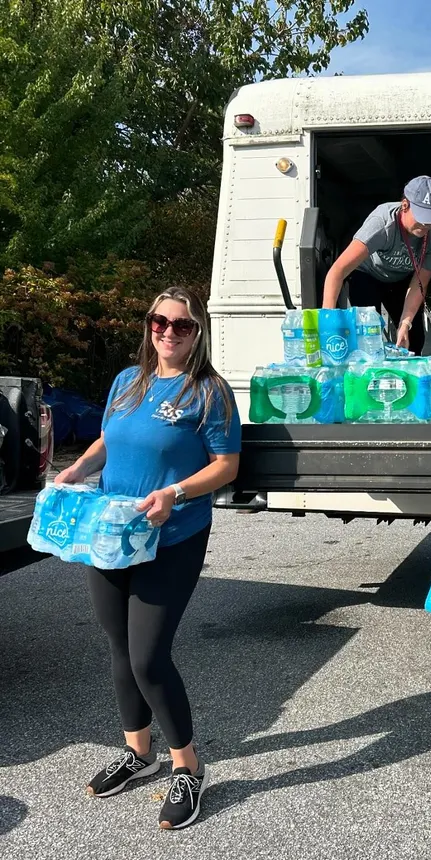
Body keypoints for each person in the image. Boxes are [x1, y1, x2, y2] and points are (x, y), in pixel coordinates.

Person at [54, 286, 241, 830]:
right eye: (159, 321)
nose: (167, 332)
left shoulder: (209, 392)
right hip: (112, 533)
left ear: (198, 333)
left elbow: (226, 466)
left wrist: (175, 494)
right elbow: (108, 442)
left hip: (172, 535)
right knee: (118, 647)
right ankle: (139, 754)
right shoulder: (127, 381)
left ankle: (188, 766)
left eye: (181, 326)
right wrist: (76, 470)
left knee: (147, 657)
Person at [321, 175, 431, 355]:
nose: (426, 224)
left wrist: (405, 323)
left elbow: (420, 283)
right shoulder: (382, 223)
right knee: (367, 335)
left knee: (414, 338)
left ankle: (405, 379)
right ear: (405, 205)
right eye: (422, 217)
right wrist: (328, 319)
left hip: (401, 279)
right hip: (367, 274)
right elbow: (337, 271)